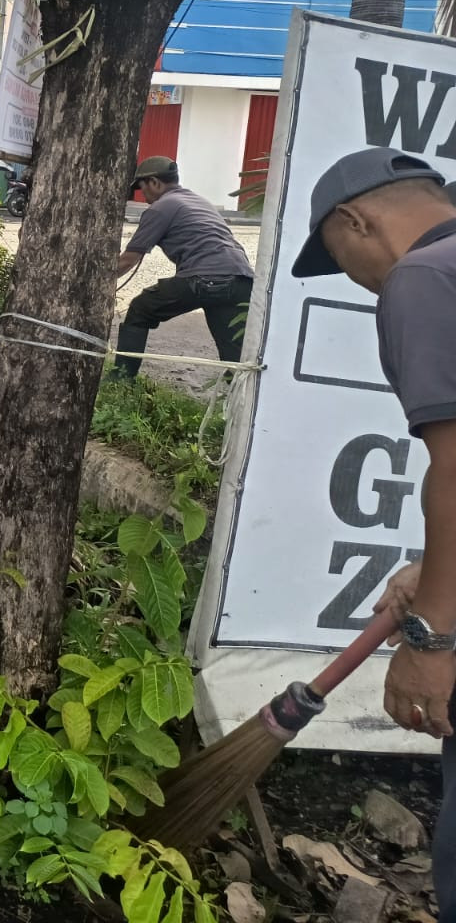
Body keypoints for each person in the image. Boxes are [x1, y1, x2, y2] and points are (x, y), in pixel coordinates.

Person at [292, 147, 455, 923]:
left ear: (357, 222)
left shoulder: (424, 280)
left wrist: (432, 635)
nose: (357, 280)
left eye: (339, 259)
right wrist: (433, 564)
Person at [112, 155, 255, 379]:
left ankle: (120, 379)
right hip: (242, 280)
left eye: (142, 189)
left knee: (141, 309)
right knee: (236, 357)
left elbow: (128, 260)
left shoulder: (160, 208)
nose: (145, 197)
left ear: (155, 183)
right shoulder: (200, 202)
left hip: (204, 278)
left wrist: (98, 284)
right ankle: (243, 402)